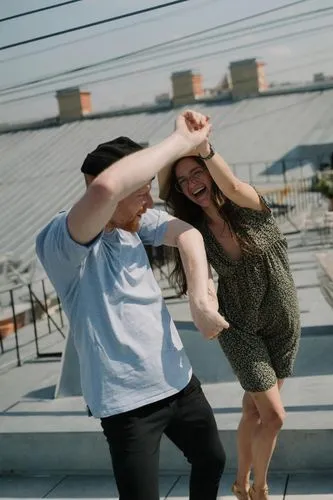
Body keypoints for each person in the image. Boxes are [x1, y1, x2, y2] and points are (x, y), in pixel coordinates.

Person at [35, 110, 229, 500]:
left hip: (178, 381)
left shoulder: (133, 225)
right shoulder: (59, 243)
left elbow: (189, 234)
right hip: (127, 405)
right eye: (140, 188)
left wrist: (200, 301)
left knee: (212, 460)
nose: (150, 199)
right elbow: (107, 190)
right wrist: (180, 141)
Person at [158, 112, 301, 500]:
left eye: (196, 173)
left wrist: (201, 144)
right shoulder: (195, 233)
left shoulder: (250, 203)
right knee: (273, 415)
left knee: (254, 411)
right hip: (240, 329)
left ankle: (239, 482)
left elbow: (233, 183)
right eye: (183, 182)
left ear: (209, 170)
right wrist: (204, 303)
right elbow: (200, 279)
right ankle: (259, 487)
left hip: (283, 322)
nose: (191, 185)